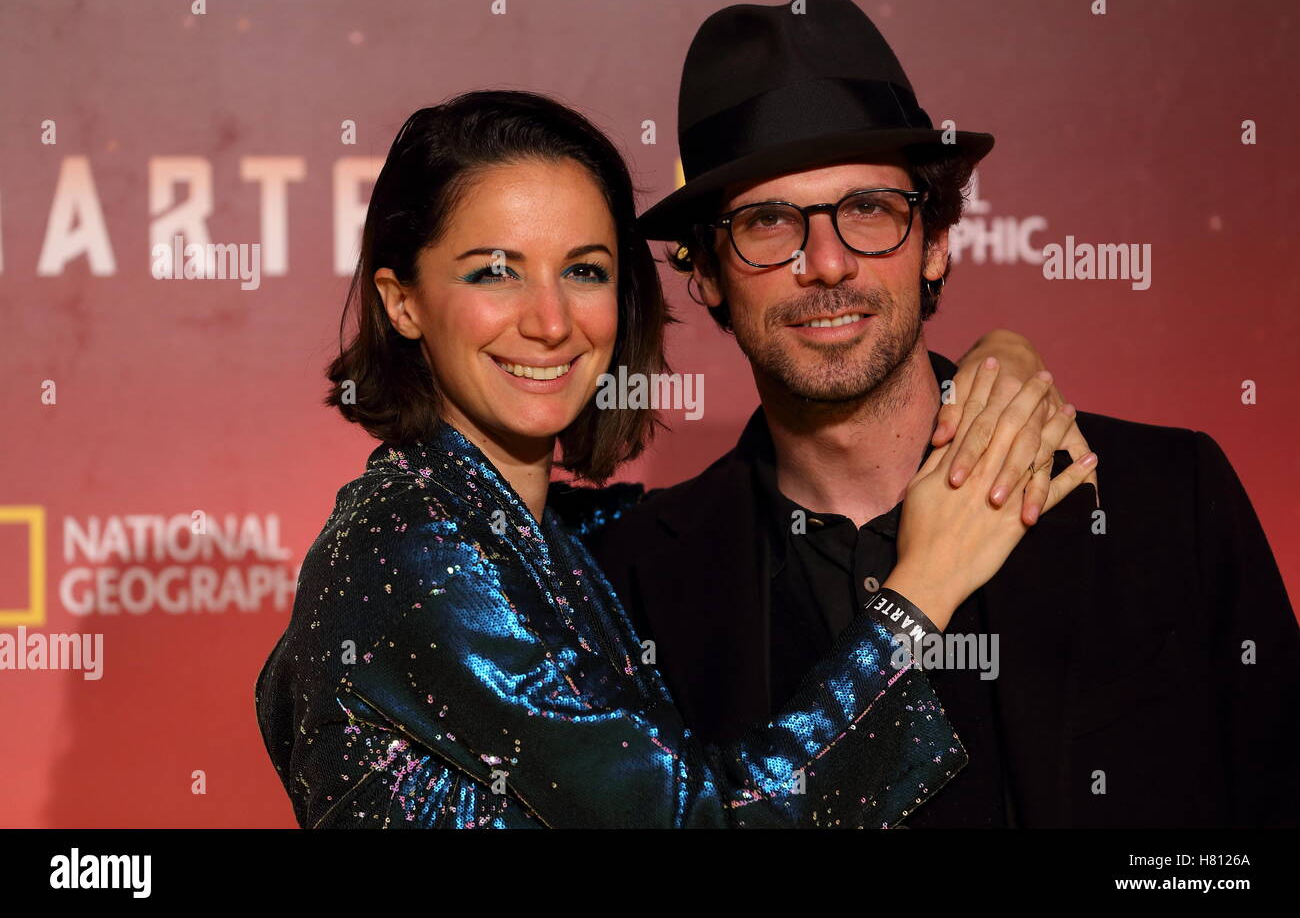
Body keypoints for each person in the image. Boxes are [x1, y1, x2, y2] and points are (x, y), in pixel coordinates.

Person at [253, 89, 1095, 828]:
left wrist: (993, 370)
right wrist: (923, 591)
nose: (550, 321)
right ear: (402, 302)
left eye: (584, 271)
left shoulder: (548, 534)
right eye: (495, 273)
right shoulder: (413, 546)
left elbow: (692, 519)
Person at [590, 0, 1299, 827]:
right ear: (705, 272)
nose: (826, 263)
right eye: (768, 221)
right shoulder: (631, 584)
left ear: (937, 242)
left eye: (868, 210)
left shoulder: (1165, 497)